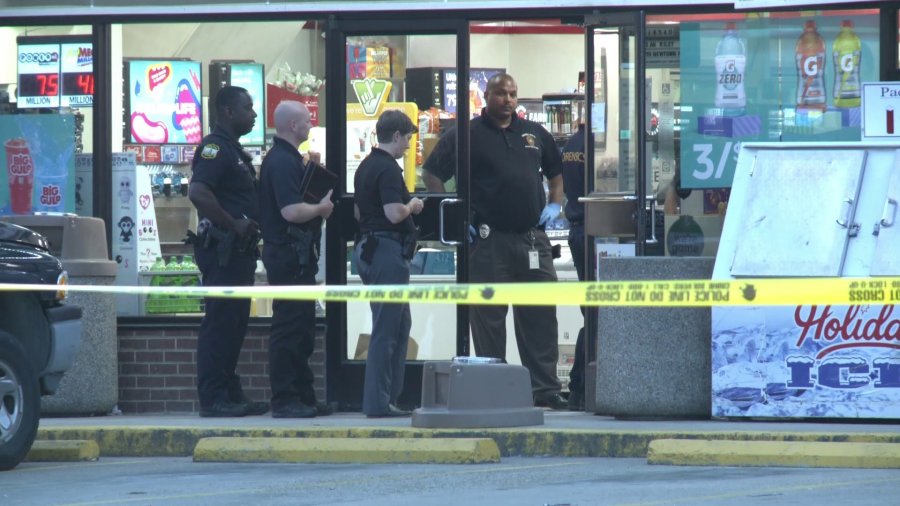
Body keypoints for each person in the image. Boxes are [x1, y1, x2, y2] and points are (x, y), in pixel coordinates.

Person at [422, 73, 568, 410]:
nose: (508, 100)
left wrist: (555, 204)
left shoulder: (534, 134)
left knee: (541, 317)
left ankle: (544, 389)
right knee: (488, 319)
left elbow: (556, 174)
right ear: (487, 96)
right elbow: (431, 173)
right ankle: (496, 389)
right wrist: (457, 215)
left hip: (533, 239)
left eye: (513, 94)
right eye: (501, 93)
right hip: (488, 241)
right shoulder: (466, 135)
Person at [188, 85, 268, 417]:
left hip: (239, 253)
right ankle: (213, 398)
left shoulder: (234, 151)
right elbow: (198, 193)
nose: (254, 114)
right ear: (227, 111)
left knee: (234, 324)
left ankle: (231, 393)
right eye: (248, 108)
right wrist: (234, 224)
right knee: (220, 323)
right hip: (222, 251)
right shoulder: (214, 150)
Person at [258, 101, 334, 418]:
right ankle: (286, 399)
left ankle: (302, 395)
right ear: (292, 126)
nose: (310, 124)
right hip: (288, 254)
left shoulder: (289, 159)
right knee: (290, 328)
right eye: (306, 120)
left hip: (296, 255)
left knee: (302, 329)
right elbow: (291, 211)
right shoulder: (281, 162)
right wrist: (321, 209)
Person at [353, 109, 424, 418]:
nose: (408, 145)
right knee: (386, 329)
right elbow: (395, 213)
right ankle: (379, 403)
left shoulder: (365, 167)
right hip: (386, 252)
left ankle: (389, 398)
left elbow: (358, 213)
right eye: (407, 138)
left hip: (370, 249)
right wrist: (413, 204)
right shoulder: (388, 170)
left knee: (398, 324)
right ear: (396, 136)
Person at [560, 122, 587, 411]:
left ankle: (578, 388)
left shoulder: (570, 144)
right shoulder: (595, 145)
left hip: (577, 229)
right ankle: (580, 386)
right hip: (590, 231)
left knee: (591, 313)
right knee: (596, 314)